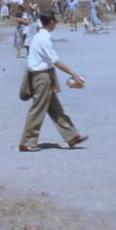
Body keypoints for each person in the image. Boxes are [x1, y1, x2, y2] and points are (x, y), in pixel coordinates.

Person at [18, 12, 88, 152]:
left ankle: (72, 136)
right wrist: (74, 74)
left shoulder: (40, 36)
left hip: (45, 75)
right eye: (55, 21)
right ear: (50, 22)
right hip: (42, 76)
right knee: (38, 109)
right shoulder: (44, 38)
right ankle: (27, 142)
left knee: (56, 109)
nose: (56, 23)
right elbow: (56, 61)